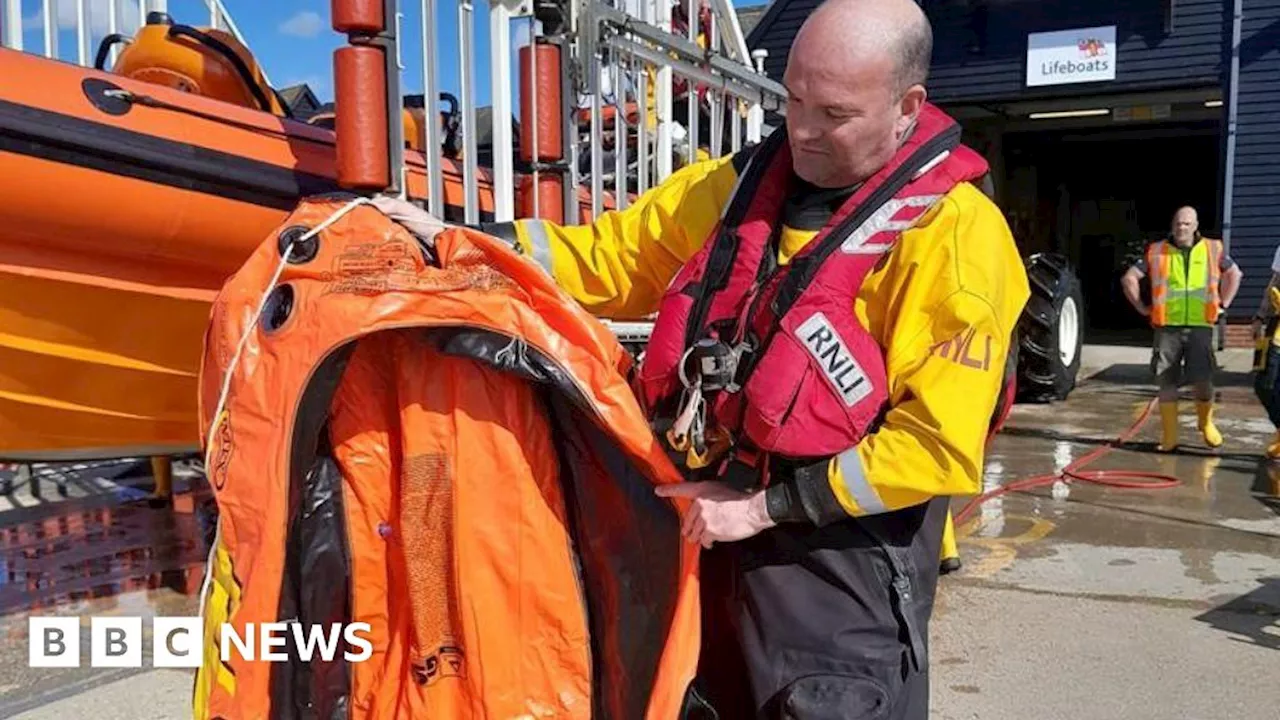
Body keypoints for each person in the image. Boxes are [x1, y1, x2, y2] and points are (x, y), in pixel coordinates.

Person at [373, 0, 1027, 716]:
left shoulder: (957, 239)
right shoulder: (737, 188)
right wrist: (456, 241)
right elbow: (613, 258)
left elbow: (936, 446)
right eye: (794, 100)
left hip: (840, 573)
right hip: (709, 544)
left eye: (834, 114)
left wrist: (765, 508)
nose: (802, 130)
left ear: (907, 106)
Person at [1122, 206, 1242, 452]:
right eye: (1178, 223)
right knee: (1167, 382)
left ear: (1196, 226)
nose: (1181, 228)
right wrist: (1142, 307)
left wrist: (1223, 304)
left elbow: (1234, 274)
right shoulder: (1156, 251)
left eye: (1187, 223)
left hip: (1200, 326)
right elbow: (1129, 278)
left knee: (1203, 379)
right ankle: (1170, 438)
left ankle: (1206, 423)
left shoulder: (1212, 248)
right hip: (1167, 327)